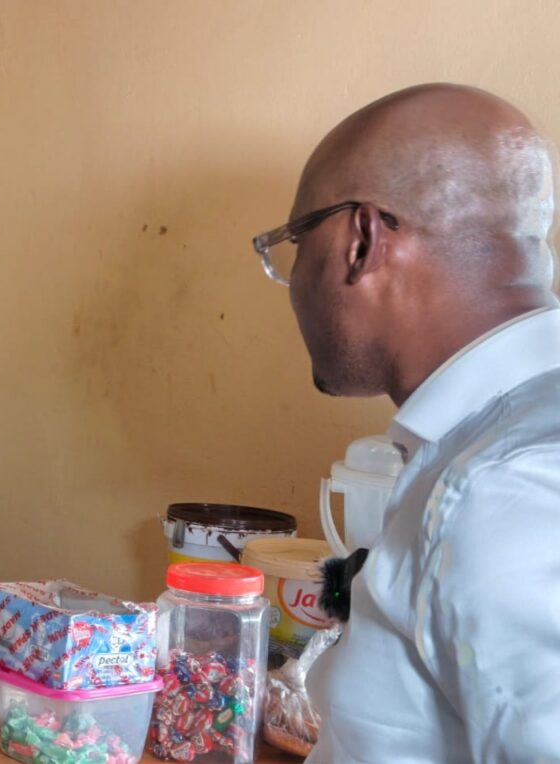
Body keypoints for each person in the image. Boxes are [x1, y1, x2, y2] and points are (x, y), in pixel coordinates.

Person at [252, 84, 560, 762]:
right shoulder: (477, 448)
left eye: (296, 246)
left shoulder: (502, 488)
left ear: (361, 242)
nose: (293, 281)